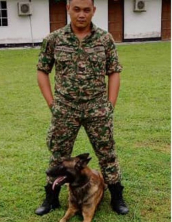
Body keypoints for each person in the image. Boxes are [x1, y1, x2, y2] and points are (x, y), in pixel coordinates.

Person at [35, 0, 129, 216]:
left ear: (93, 11)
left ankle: (117, 196)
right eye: (76, 9)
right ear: (68, 9)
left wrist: (110, 105)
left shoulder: (105, 39)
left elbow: (113, 71)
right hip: (65, 109)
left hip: (97, 108)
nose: (81, 14)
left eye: (87, 10)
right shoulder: (54, 39)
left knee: (107, 154)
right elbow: (42, 70)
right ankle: (51, 198)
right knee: (59, 155)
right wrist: (52, 103)